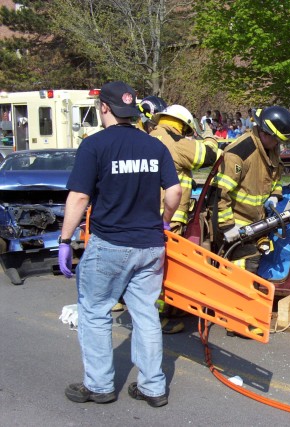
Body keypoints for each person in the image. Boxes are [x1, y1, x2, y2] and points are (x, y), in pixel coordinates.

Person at [58, 81, 181, 407]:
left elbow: (80, 196)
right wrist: (165, 219)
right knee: (145, 315)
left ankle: (99, 386)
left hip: (110, 244)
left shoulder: (95, 145)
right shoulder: (155, 146)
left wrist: (65, 239)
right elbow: (175, 192)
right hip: (151, 245)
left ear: (104, 109)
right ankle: (153, 388)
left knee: (95, 313)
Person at [216, 106, 290, 276]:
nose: (279, 145)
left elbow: (275, 179)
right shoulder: (240, 153)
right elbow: (220, 193)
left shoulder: (270, 149)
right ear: (265, 133)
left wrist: (275, 196)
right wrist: (228, 226)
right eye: (277, 140)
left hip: (255, 224)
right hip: (236, 224)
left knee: (251, 265)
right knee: (242, 268)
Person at [150, 104, 219, 233]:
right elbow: (208, 156)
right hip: (170, 216)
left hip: (146, 213)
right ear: (181, 125)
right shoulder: (176, 142)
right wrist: (210, 136)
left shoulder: (148, 137)